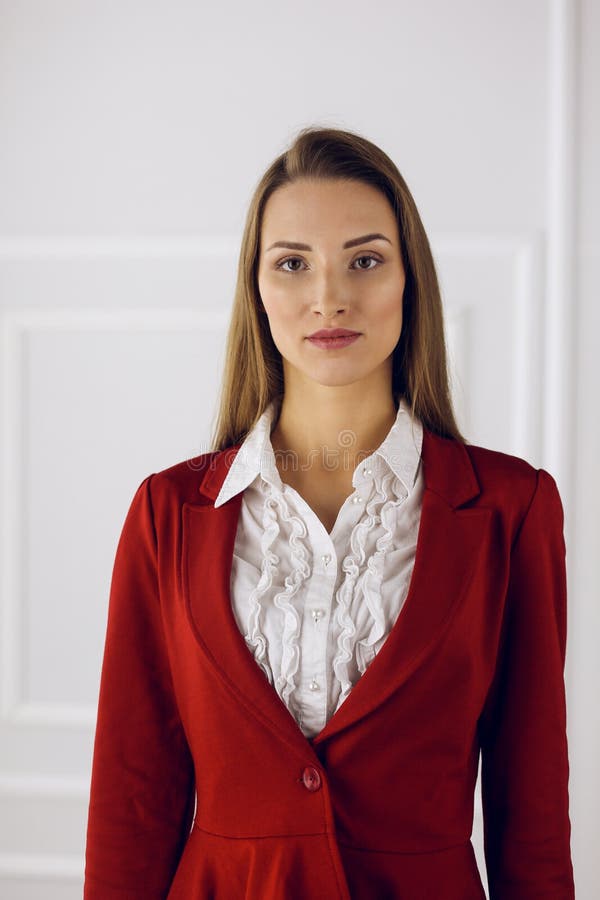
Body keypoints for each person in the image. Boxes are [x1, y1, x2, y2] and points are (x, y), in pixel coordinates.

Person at [83, 126, 575, 899]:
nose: (330, 297)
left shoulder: (510, 510)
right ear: (257, 288)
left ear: (410, 279)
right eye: (292, 264)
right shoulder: (168, 513)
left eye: (365, 260)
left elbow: (532, 810)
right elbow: (132, 799)